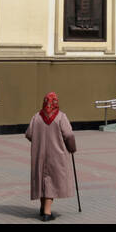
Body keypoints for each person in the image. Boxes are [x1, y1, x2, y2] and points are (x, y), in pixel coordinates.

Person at [25, 92, 77, 220]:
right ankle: (47, 213)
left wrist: (38, 141)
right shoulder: (61, 117)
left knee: (43, 180)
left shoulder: (36, 117)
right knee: (51, 182)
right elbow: (69, 135)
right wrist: (72, 148)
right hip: (57, 156)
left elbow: (29, 134)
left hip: (39, 155)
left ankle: (43, 208)